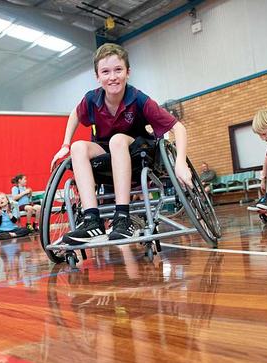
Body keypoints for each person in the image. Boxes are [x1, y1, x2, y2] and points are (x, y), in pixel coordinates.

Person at [49, 43, 192, 245]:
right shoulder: (92, 98)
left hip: (136, 151)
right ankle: (92, 221)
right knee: (78, 147)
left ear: (128, 72)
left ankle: (122, 217)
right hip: (106, 152)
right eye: (105, 72)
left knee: (117, 140)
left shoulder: (139, 99)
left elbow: (178, 127)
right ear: (97, 77)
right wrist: (65, 144)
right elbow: (75, 113)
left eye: (118, 70)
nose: (112, 76)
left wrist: (180, 163)